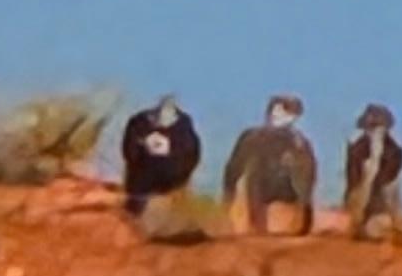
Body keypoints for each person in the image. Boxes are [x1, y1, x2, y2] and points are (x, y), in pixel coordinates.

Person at [221, 96, 317, 236]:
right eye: (286, 110)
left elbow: (307, 173)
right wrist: (229, 191)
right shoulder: (254, 137)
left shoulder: (298, 142)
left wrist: (229, 192)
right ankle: (259, 227)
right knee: (255, 175)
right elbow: (235, 166)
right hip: (262, 188)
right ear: (275, 111)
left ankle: (294, 226)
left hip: (286, 188)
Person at [119, 96, 200, 233]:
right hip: (144, 176)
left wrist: (182, 175)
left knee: (173, 209)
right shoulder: (138, 123)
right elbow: (129, 151)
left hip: (172, 177)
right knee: (136, 207)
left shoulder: (183, 128)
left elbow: (191, 154)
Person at [342, 103, 402, 240]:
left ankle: (392, 226)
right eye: (371, 128)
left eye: (379, 128)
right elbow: (352, 180)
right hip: (360, 196)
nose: (375, 132)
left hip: (382, 199)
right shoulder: (357, 150)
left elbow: (388, 179)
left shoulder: (394, 152)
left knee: (381, 222)